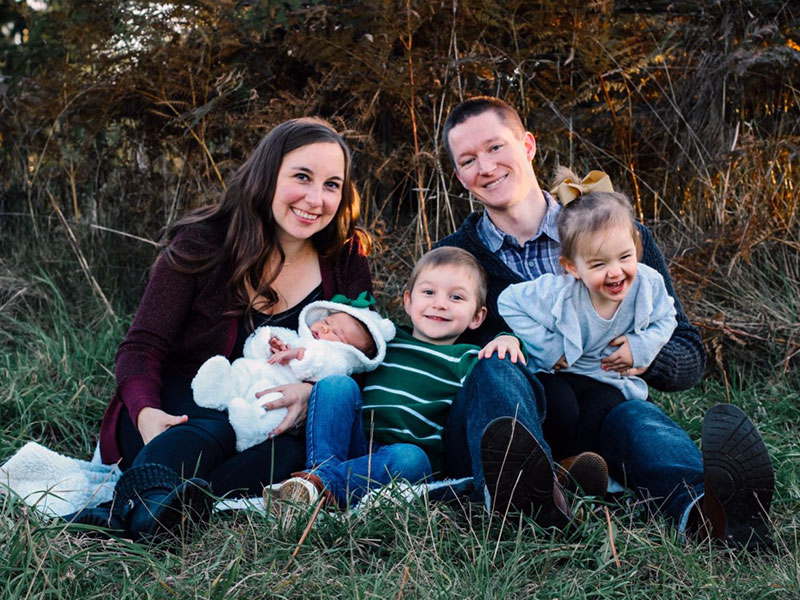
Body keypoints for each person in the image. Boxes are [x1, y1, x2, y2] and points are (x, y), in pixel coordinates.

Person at [436, 96, 774, 549]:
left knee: (639, 420)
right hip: (512, 414)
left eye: (496, 147)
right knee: (495, 370)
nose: (487, 166)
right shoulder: (456, 257)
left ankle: (709, 512)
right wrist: (502, 341)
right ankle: (520, 502)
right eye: (469, 160)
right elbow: (434, 347)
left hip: (599, 406)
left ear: (528, 145)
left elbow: (688, 350)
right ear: (459, 177)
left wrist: (637, 355)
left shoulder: (614, 236)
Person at [66, 117, 374, 542]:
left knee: (293, 453)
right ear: (268, 174)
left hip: (270, 417)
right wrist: (145, 412)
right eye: (302, 177)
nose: (315, 199)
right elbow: (141, 347)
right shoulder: (202, 245)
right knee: (215, 427)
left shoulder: (346, 257)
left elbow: (361, 349)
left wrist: (312, 394)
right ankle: (133, 503)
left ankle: (156, 514)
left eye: (332, 185)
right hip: (180, 406)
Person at [266, 247, 527, 516]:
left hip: (407, 460)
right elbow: (334, 355)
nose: (440, 303)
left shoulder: (467, 358)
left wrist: (509, 338)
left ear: (477, 317)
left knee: (410, 458)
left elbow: (500, 379)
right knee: (335, 385)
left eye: (456, 297)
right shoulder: (385, 340)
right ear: (408, 301)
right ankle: (318, 477)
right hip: (356, 446)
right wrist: (297, 351)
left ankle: (318, 487)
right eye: (428, 292)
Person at [497, 169, 677, 460]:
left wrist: (641, 347)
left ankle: (580, 466)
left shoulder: (648, 284)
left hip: (608, 379)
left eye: (625, 257)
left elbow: (668, 318)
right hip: (562, 373)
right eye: (598, 264)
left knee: (605, 408)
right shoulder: (559, 292)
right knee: (560, 405)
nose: (615, 271)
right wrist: (549, 347)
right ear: (572, 267)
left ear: (636, 248)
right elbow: (509, 302)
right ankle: (551, 461)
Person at [192, 297, 394, 451]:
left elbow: (323, 366)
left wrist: (298, 354)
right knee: (243, 369)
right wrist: (271, 342)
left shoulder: (336, 362)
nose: (324, 328)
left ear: (351, 353)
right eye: (329, 321)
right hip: (262, 373)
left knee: (273, 407)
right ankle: (218, 392)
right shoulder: (299, 338)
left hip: (286, 393)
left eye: (335, 333)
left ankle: (249, 428)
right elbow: (264, 344)